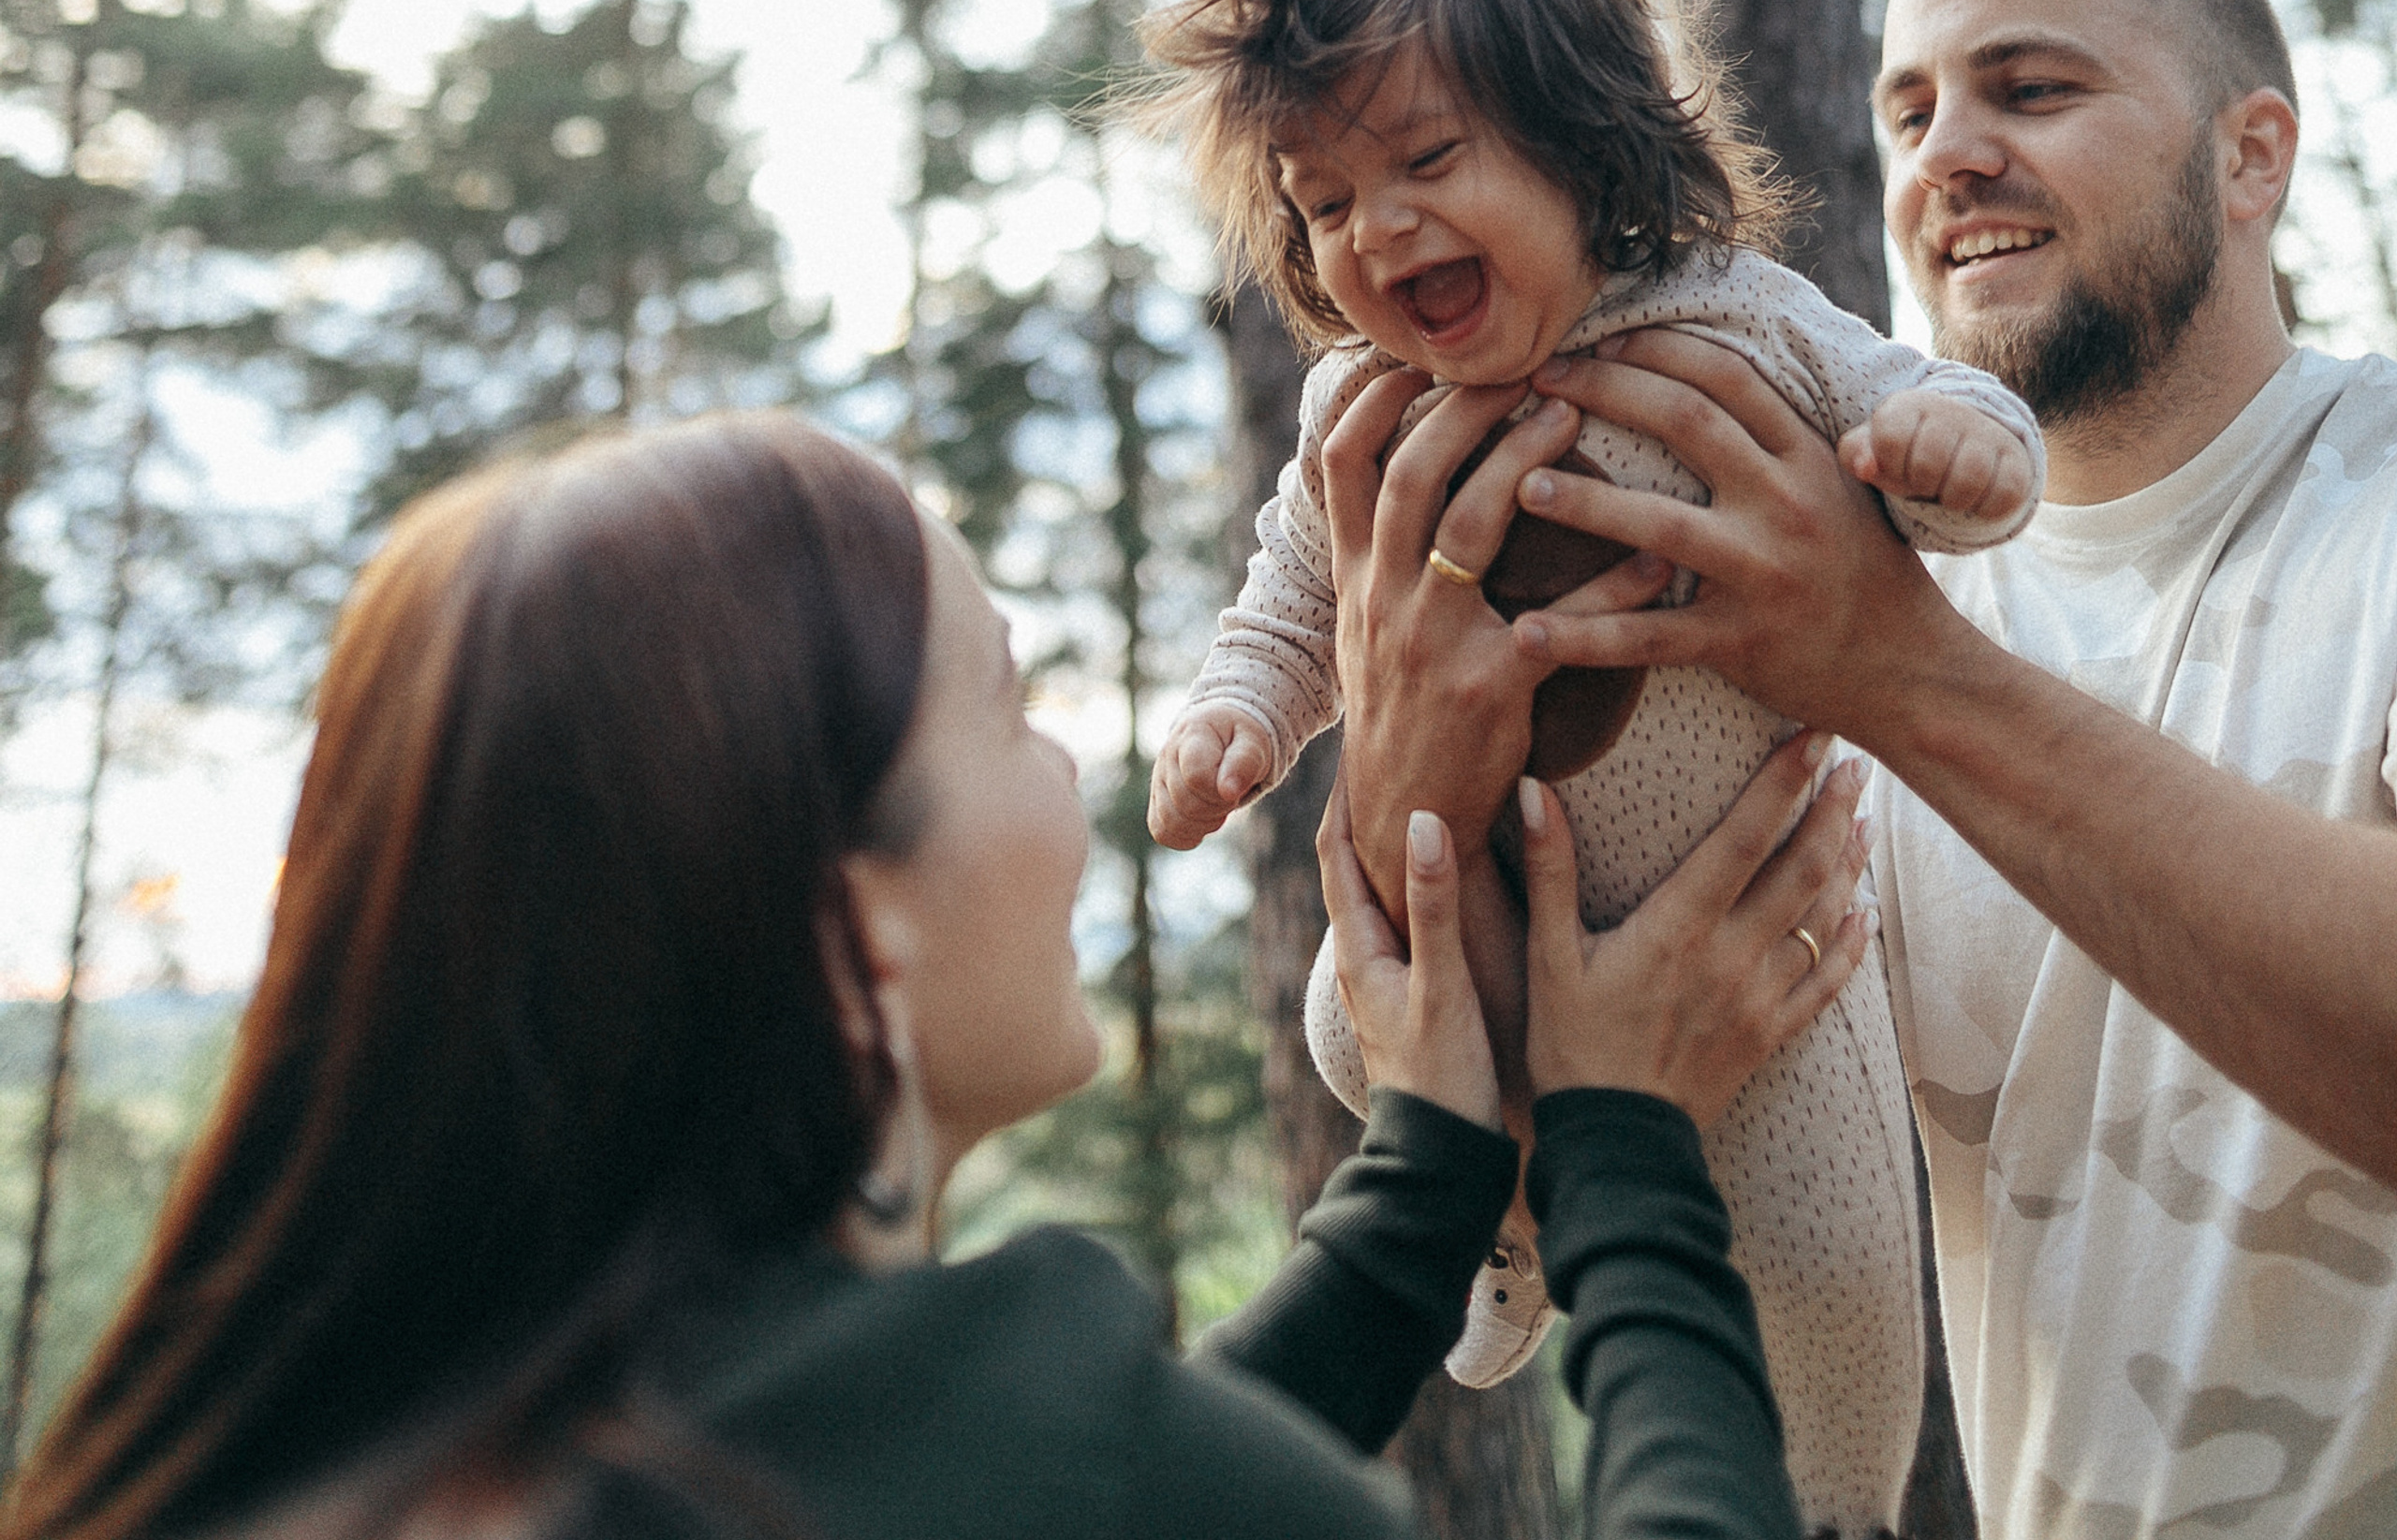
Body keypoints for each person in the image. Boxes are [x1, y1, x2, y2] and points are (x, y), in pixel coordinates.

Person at [0, 406, 1877, 1540]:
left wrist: (1432, 1172)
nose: (1066, 785)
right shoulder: (1008, 1429)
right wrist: (1626, 1145)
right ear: (846, 926)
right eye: (1007, 710)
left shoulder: (339, 1439)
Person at [1398, 0, 2397, 1539]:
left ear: (2253, 158)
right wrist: (1408, 786)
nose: (1947, 156)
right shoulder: (1796, 618)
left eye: (2034, 87)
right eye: (1912, 110)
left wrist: (1903, 675)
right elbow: (1590, 1163)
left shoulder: (1863, 635)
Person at [1129, 0, 2042, 1533]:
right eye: (1323, 204)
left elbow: (1907, 401)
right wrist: (1238, 721)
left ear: (1580, 144)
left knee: (1838, 1250)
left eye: (1423, 160)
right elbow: (1291, 603)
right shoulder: (1360, 412)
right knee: (1350, 1018)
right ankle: (1503, 1238)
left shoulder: (1736, 320)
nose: (1374, 229)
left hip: (1750, 935)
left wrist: (1952, 452)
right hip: (1470, 942)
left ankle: (1834, 1505)